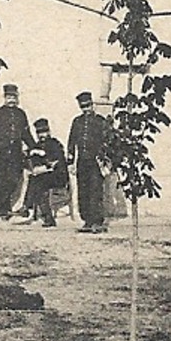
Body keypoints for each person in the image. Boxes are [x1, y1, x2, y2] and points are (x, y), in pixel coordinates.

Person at [67, 91, 113, 234]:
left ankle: (97, 221)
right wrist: (70, 161)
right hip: (82, 161)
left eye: (88, 106)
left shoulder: (100, 121)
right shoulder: (77, 122)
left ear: (92, 105)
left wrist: (106, 161)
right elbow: (72, 142)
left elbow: (108, 142)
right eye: (83, 107)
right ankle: (87, 220)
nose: (86, 109)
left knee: (95, 190)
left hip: (96, 162)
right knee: (83, 191)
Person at [0, 83, 32, 219]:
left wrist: (34, 148)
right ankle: (2, 212)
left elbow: (26, 134)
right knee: (0, 182)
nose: (11, 99)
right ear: (4, 97)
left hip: (16, 154)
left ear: (17, 98)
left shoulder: (21, 114)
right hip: (0, 154)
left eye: (14, 97)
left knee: (13, 181)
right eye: (9, 96)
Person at [20, 117, 69, 228]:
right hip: (43, 177)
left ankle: (27, 207)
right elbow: (31, 163)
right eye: (39, 133)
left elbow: (56, 162)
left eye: (44, 132)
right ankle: (46, 217)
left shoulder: (55, 144)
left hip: (57, 175)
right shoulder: (36, 146)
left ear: (48, 131)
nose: (42, 135)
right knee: (37, 181)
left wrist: (43, 162)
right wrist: (28, 157)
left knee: (38, 181)